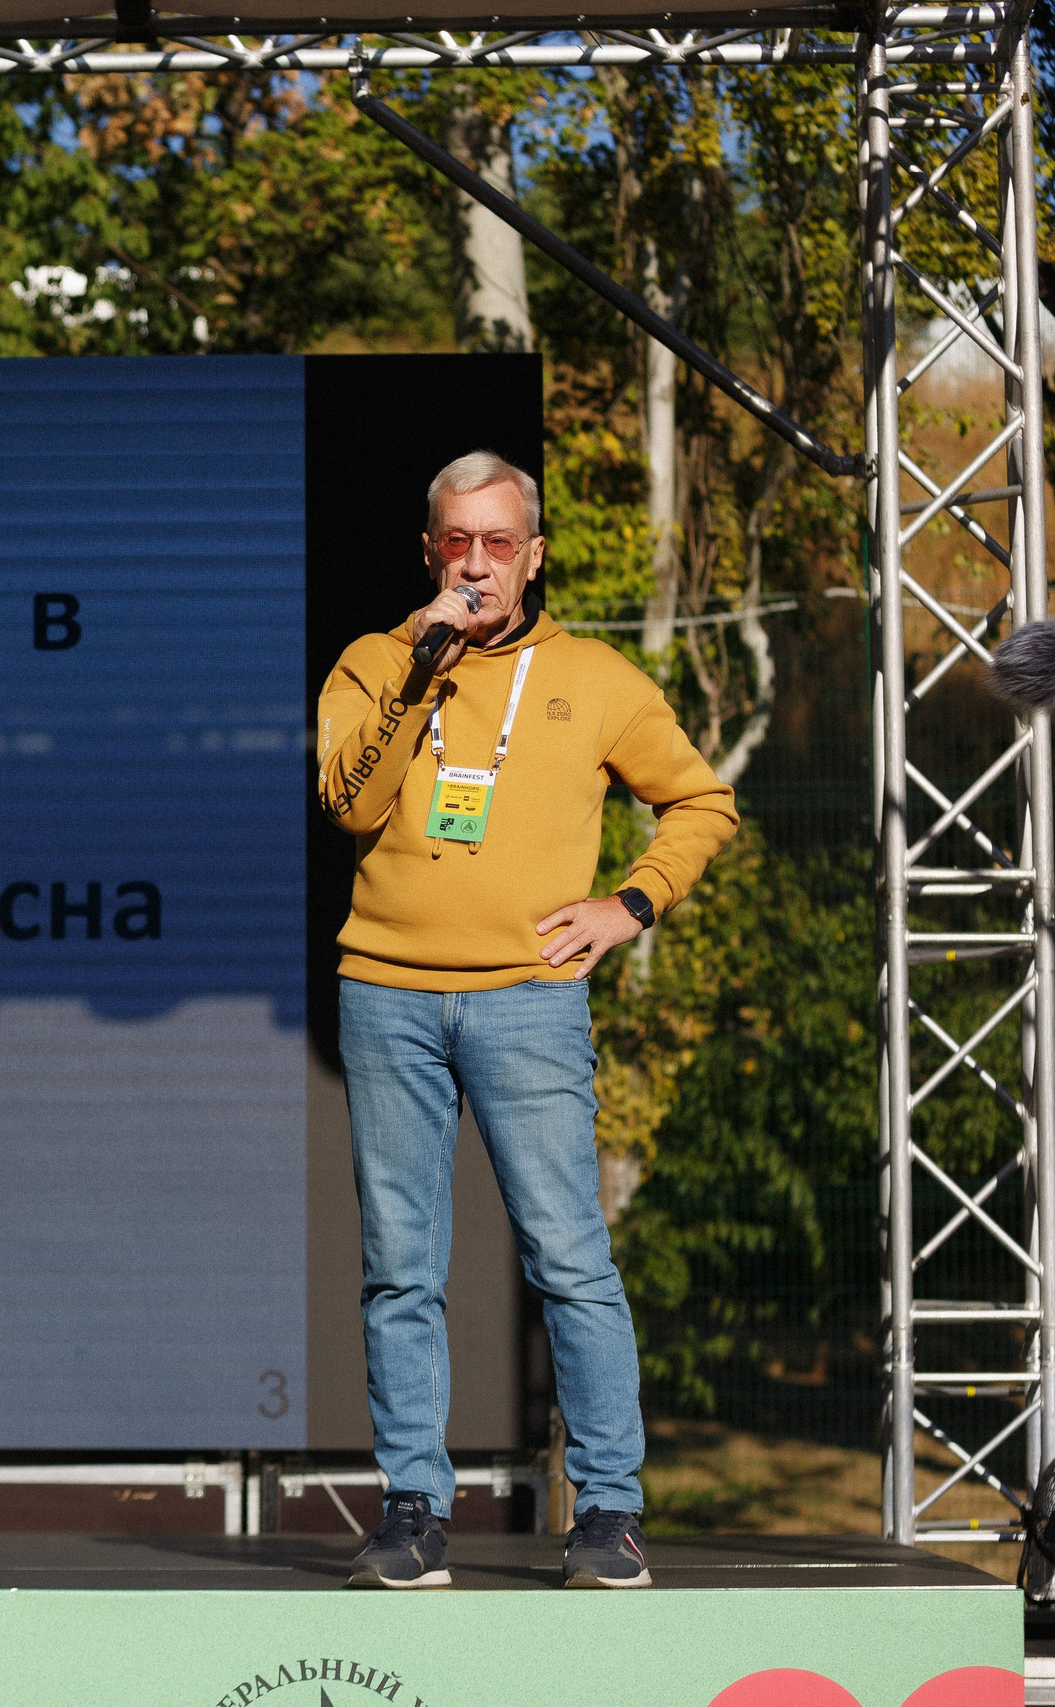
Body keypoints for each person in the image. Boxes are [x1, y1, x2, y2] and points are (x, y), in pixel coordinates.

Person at [315, 448, 738, 1589]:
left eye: (498, 543)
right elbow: (347, 800)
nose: (477, 564)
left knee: (568, 1255)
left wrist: (629, 904)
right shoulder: (373, 660)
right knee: (400, 1266)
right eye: (457, 542)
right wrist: (420, 672)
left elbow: (702, 800)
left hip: (530, 999)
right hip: (387, 992)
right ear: (428, 552)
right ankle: (412, 1511)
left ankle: (608, 1513)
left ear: (534, 555)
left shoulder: (593, 676)